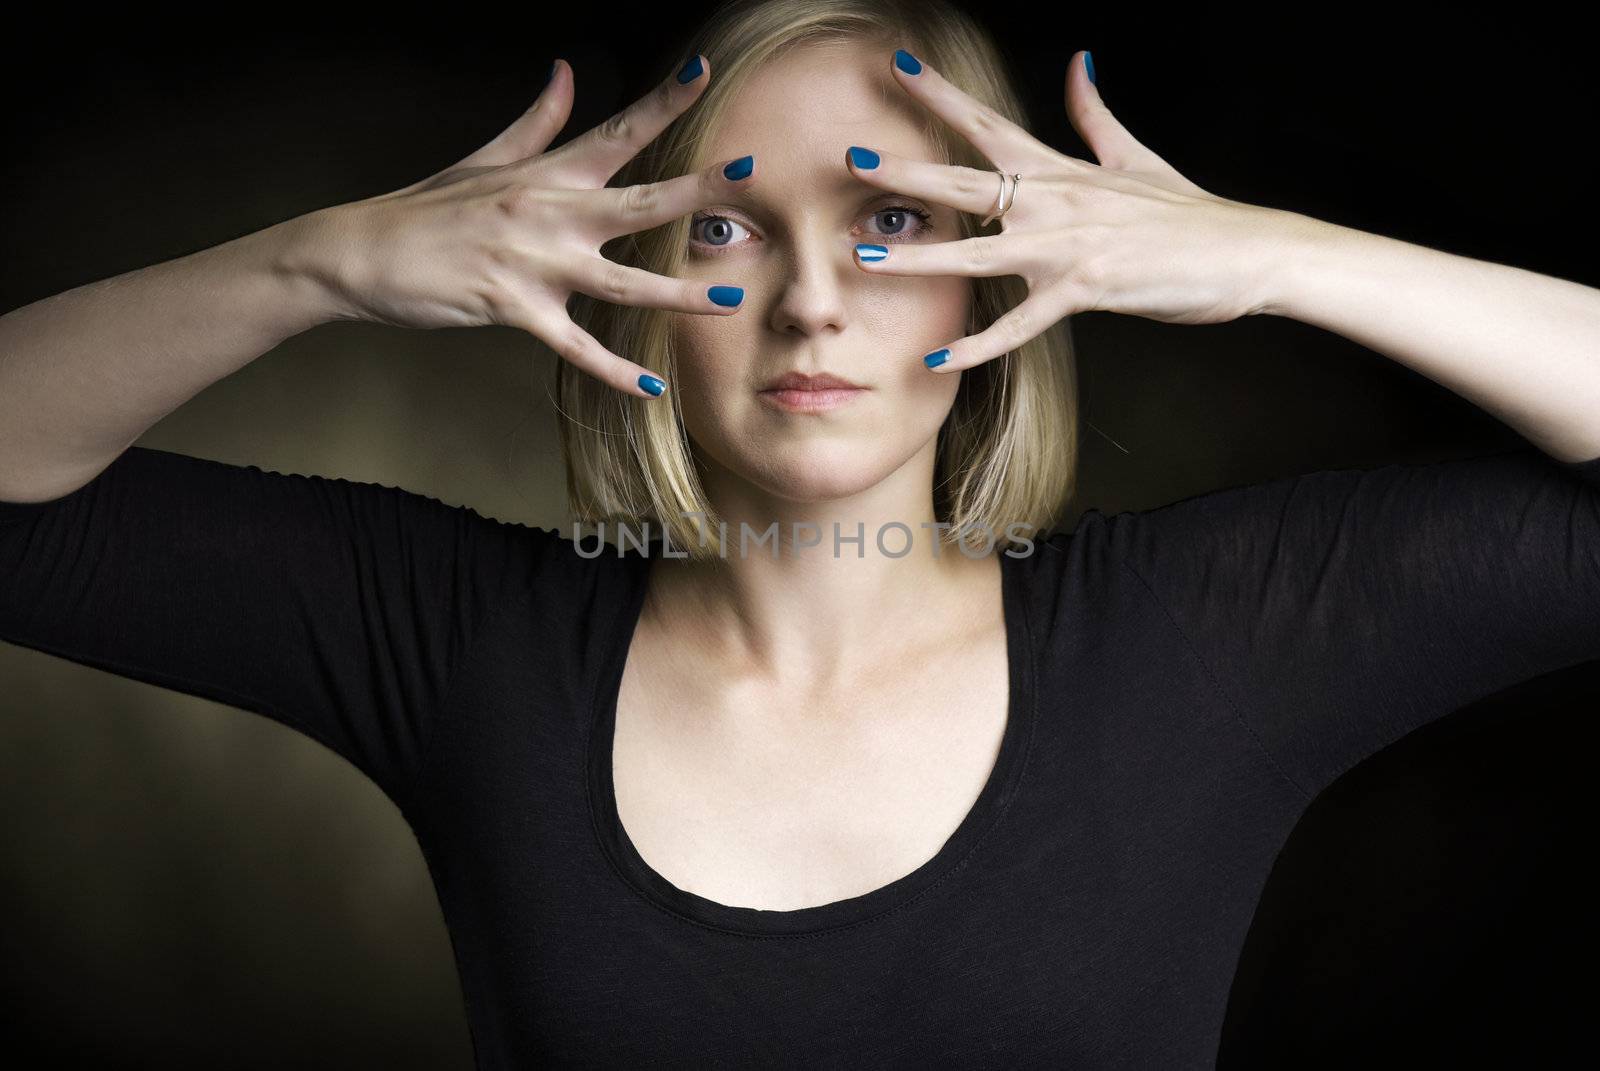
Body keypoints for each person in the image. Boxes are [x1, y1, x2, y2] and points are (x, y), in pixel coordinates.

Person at [2, 0, 1597, 1065]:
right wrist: (320, 265)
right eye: (729, 227)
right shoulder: (465, 643)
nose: (813, 299)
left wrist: (1285, 258)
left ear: (999, 266)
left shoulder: (1219, 636)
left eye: (891, 219)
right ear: (629, 275)